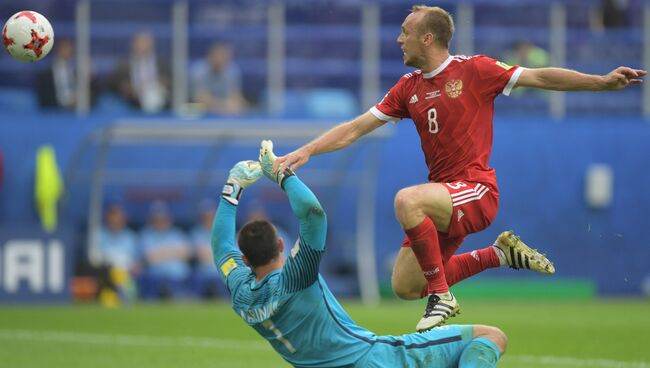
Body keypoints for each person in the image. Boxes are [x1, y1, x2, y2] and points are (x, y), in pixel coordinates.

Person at [273, 5, 646, 332]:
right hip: (443, 200)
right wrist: (306, 151)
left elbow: (541, 76)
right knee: (404, 285)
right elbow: (354, 128)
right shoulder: (408, 87)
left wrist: (600, 83)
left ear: (428, 38)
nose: (399, 40)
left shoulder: (476, 70)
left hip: (477, 190)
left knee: (407, 200)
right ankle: (498, 255)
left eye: (405, 33)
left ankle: (442, 297)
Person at [212, 141, 507, 368]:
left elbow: (222, 247)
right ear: (280, 246)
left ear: (246, 260)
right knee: (491, 337)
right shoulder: (295, 277)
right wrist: (281, 174)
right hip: (373, 359)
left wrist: (232, 188)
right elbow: (313, 215)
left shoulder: (241, 293)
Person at [139, 200, 191, 299]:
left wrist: (161, 253)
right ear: (151, 220)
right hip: (155, 279)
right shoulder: (146, 235)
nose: (160, 222)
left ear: (169, 219)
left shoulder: (177, 233)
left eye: (163, 219)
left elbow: (187, 254)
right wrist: (173, 252)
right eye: (157, 219)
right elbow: (149, 258)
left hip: (178, 278)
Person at [108, 31, 170, 113]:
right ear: (133, 44)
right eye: (140, 42)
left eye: (146, 42)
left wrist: (165, 83)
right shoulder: (123, 65)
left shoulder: (163, 63)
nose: (143, 45)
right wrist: (123, 87)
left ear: (152, 44)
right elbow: (111, 85)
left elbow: (173, 82)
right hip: (130, 103)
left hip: (160, 103)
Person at [191, 43, 248, 115]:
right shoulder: (199, 70)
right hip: (200, 112)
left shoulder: (232, 70)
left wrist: (239, 104)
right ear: (210, 56)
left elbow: (235, 96)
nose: (221, 60)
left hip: (224, 112)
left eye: (224, 58)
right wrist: (223, 105)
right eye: (218, 56)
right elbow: (199, 98)